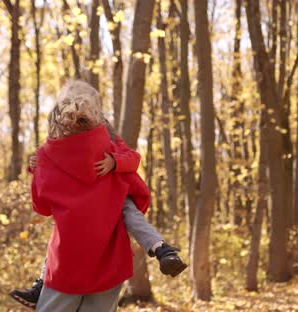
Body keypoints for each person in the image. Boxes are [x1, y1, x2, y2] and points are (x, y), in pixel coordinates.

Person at [10, 81, 187, 311]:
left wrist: (38, 169)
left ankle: (40, 284)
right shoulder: (110, 143)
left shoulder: (48, 153)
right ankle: (161, 248)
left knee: (64, 229)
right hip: (109, 261)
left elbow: (42, 206)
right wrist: (115, 162)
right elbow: (133, 161)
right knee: (128, 209)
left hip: (67, 263)